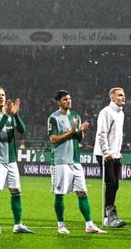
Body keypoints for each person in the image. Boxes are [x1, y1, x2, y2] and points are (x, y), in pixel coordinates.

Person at [48, 90, 106, 234]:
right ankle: (61, 225)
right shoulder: (53, 118)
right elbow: (53, 139)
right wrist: (71, 131)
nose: (68, 101)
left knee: (82, 193)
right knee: (59, 194)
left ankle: (89, 225)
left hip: (75, 161)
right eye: (65, 99)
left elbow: (79, 139)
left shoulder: (75, 116)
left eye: (69, 98)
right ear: (58, 102)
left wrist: (81, 131)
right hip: (60, 161)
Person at [0, 86, 33, 234]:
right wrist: (5, 116)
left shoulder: (10, 114)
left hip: (11, 159)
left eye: (3, 95)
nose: (1, 97)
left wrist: (15, 115)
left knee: (16, 190)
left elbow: (23, 130)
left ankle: (18, 225)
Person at [94, 87, 126, 228]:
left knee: (115, 184)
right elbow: (101, 133)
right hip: (105, 154)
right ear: (112, 98)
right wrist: (106, 152)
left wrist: (118, 152)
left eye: (123, 95)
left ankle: (109, 215)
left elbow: (117, 135)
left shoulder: (121, 113)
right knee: (111, 183)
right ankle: (110, 216)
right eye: (120, 95)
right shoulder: (106, 112)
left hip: (115, 154)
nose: (123, 97)